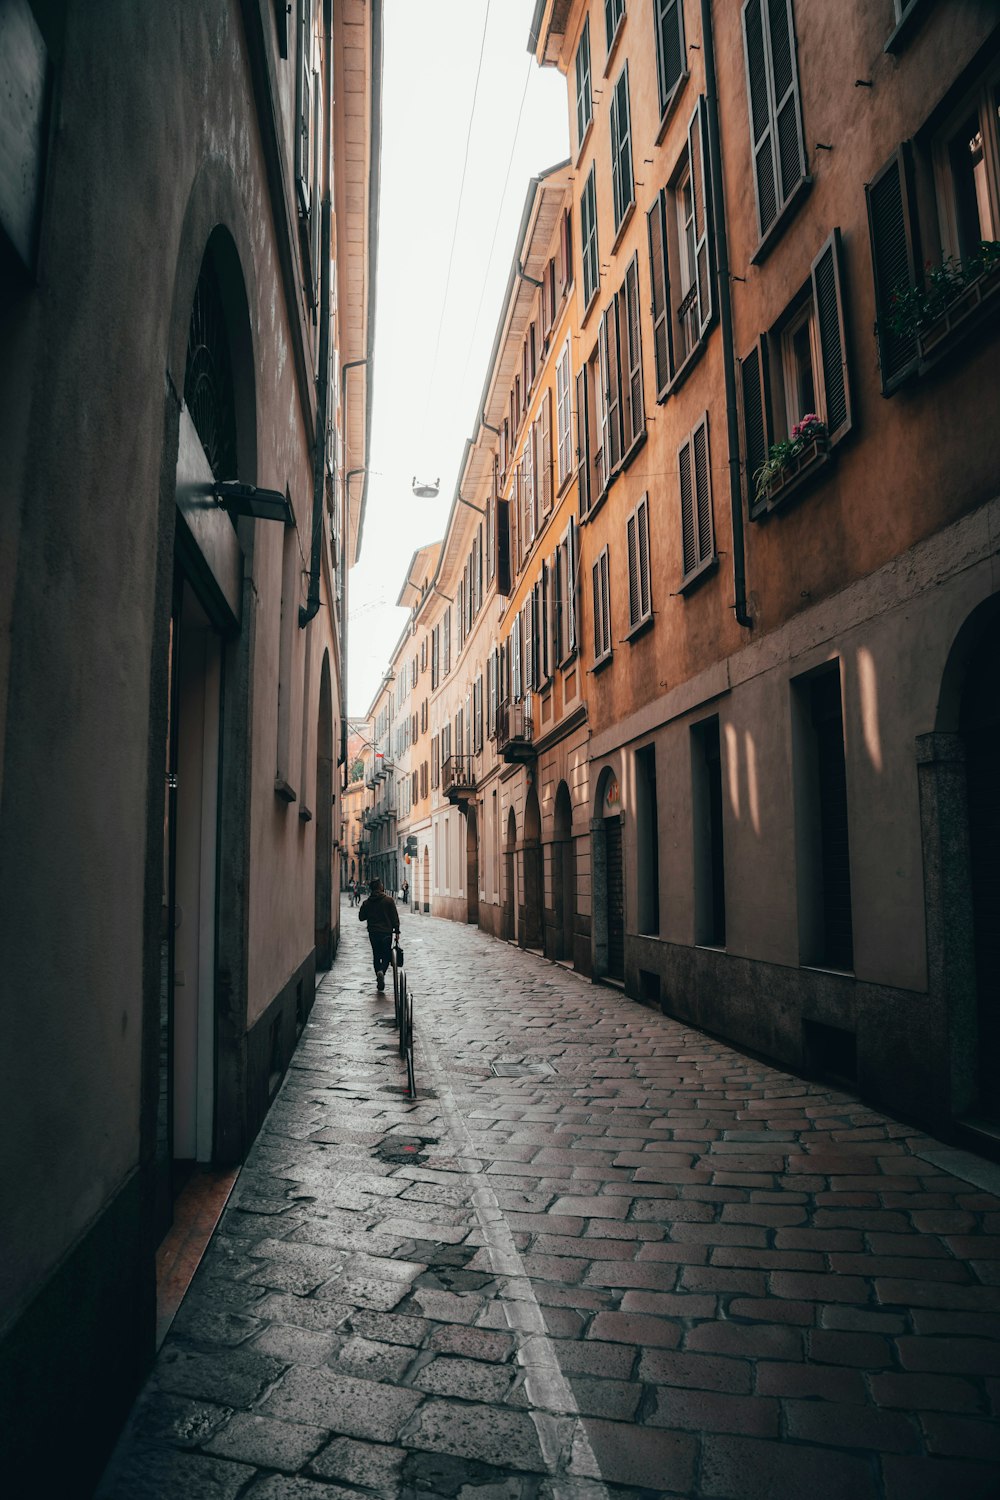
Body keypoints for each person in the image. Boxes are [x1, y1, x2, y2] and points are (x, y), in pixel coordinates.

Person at [358, 877, 400, 992]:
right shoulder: (389, 900)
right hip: (386, 932)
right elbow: (394, 917)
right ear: (380, 887)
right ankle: (382, 972)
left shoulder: (367, 902)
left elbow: (361, 917)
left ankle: (378, 974)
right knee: (386, 955)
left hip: (373, 932)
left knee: (376, 955)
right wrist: (397, 931)